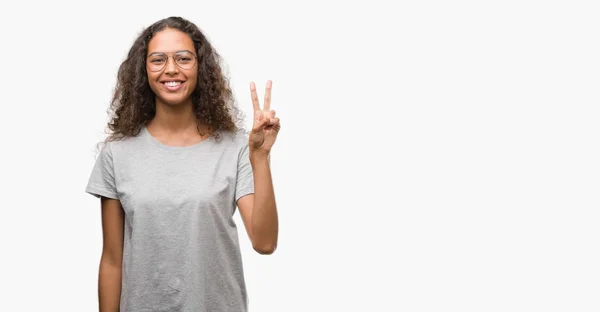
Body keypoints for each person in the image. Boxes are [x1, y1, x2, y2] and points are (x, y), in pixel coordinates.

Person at [85, 16, 281, 312]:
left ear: (200, 67)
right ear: (144, 70)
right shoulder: (117, 153)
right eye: (158, 60)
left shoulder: (236, 146)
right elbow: (112, 260)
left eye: (183, 58)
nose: (171, 69)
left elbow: (264, 243)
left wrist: (261, 157)